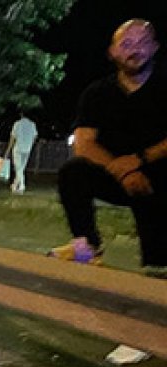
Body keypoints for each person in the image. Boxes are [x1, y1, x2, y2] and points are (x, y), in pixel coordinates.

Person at [54, 19, 166, 276]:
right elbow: (84, 143)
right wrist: (123, 171)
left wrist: (139, 160)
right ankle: (87, 247)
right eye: (126, 44)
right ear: (112, 52)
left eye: (142, 42)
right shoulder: (97, 93)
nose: (134, 50)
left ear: (155, 47)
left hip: (159, 174)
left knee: (158, 268)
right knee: (73, 172)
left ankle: (158, 260)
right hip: (118, 175)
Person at [6, 111, 39, 194]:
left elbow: (12, 137)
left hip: (18, 148)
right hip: (27, 149)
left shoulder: (17, 124)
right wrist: (30, 144)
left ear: (21, 114)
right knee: (21, 168)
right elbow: (35, 136)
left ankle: (21, 186)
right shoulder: (32, 124)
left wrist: (8, 150)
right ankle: (15, 185)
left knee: (18, 168)